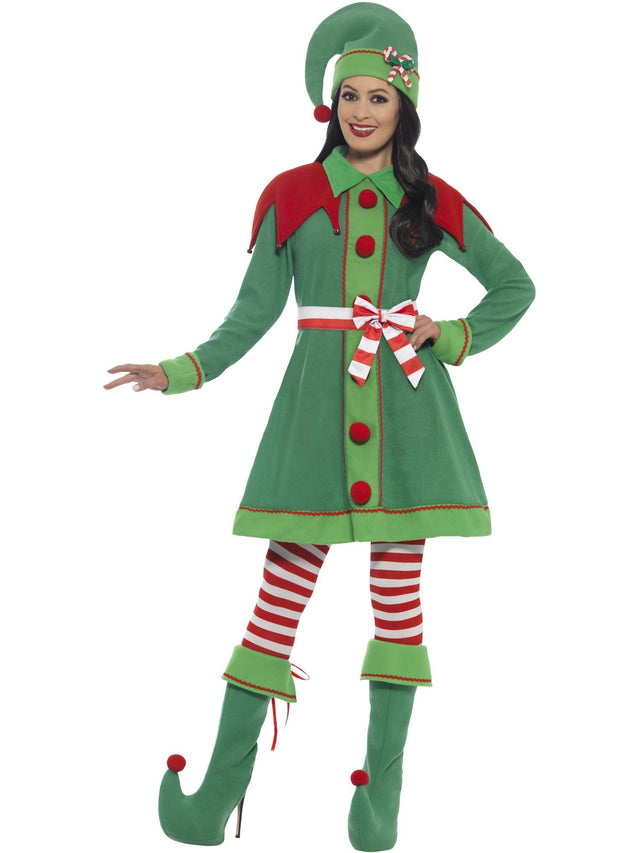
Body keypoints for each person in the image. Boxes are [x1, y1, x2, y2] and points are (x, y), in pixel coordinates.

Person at [105, 3, 535, 849]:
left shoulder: (431, 198)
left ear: (404, 107)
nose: (362, 112)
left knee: (399, 609)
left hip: (408, 424)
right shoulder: (291, 196)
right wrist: (179, 370)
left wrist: (449, 333)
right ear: (330, 105)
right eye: (350, 97)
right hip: (313, 428)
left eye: (380, 97)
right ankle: (216, 798)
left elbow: (515, 285)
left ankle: (380, 805)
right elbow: (251, 316)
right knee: (275, 605)